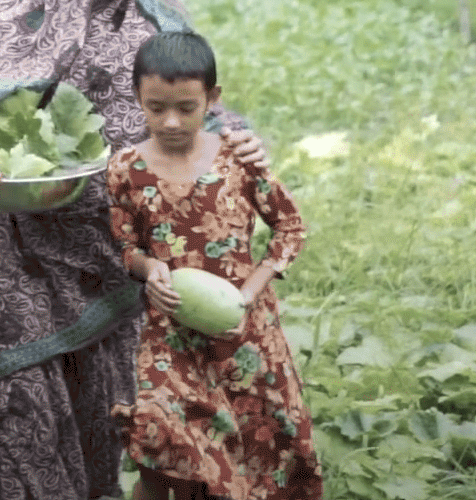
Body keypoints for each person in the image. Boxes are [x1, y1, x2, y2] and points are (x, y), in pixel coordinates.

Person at [0, 0, 268, 499]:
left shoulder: (158, 15)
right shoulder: (29, 2)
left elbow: (198, 109)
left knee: (103, 398)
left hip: (117, 242)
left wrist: (237, 142)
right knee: (19, 396)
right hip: (23, 233)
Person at [108, 32, 321, 500]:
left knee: (254, 452)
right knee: (164, 451)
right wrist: (150, 273)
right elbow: (125, 247)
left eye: (186, 107)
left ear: (213, 99)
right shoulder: (124, 168)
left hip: (245, 336)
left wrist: (247, 293)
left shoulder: (239, 160)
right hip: (172, 336)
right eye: (155, 106)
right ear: (137, 99)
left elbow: (290, 229)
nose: (170, 121)